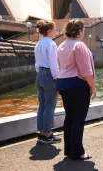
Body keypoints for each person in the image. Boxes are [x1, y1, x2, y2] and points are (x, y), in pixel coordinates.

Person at [56, 19, 95, 160]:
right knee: (78, 119)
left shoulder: (61, 46)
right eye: (83, 30)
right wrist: (93, 87)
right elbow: (86, 71)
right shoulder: (79, 46)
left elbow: (59, 66)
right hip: (78, 85)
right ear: (80, 31)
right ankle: (78, 152)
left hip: (63, 84)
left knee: (70, 118)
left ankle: (69, 150)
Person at [34, 20, 61, 144]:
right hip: (49, 75)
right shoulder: (51, 44)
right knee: (50, 106)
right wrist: (57, 78)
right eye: (55, 29)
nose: (56, 31)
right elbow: (53, 64)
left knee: (42, 105)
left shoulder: (38, 44)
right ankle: (47, 135)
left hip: (39, 75)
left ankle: (42, 133)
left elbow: (37, 63)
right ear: (49, 31)